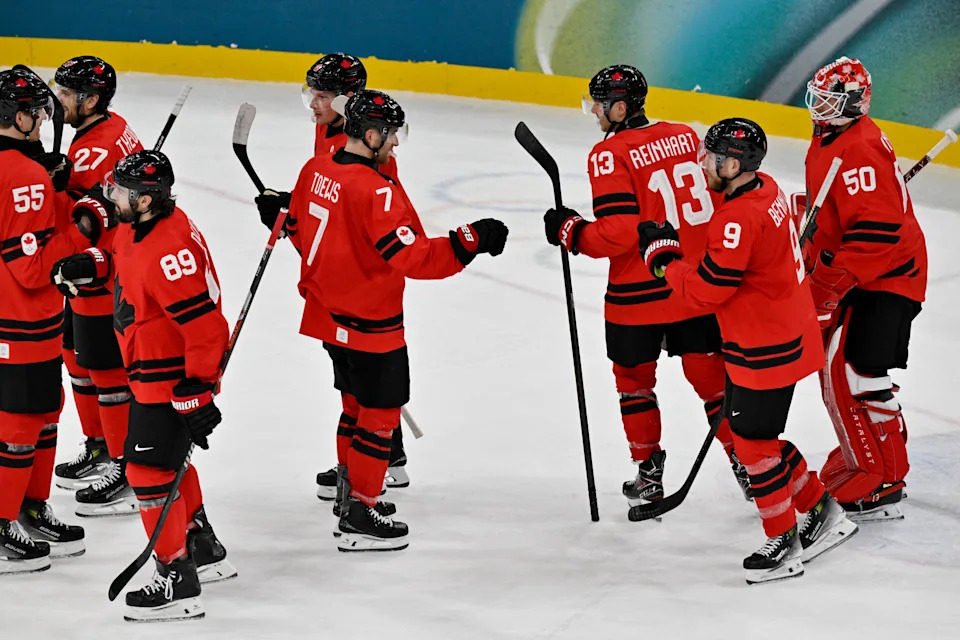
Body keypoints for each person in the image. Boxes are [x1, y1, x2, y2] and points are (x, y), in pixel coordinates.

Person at [279, 89, 508, 550]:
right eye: (391, 135)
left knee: (352, 404)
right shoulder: (375, 190)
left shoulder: (315, 168)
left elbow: (300, 232)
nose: (396, 144)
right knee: (379, 415)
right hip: (368, 321)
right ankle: (361, 511)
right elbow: (415, 258)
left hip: (327, 314)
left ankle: (350, 493)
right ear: (369, 134)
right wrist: (471, 239)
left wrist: (281, 217)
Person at [638, 118, 857, 584]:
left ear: (733, 164)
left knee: (754, 446)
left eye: (711, 156)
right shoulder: (766, 188)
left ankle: (784, 539)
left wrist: (663, 260)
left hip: (766, 345)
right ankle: (821, 506)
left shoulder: (739, 218)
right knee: (761, 437)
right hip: (783, 334)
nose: (702, 162)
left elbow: (706, 292)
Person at [541, 64, 751, 517]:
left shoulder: (608, 152)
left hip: (636, 293)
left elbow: (618, 233)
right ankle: (750, 466)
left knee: (634, 384)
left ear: (619, 107)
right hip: (691, 285)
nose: (594, 112)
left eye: (598, 104)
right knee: (715, 385)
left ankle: (649, 474)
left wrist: (572, 232)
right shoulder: (684, 134)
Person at [52, 150, 235, 619]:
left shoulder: (170, 249)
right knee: (171, 464)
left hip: (169, 374)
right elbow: (121, 260)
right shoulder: (139, 226)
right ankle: (201, 545)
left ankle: (176, 576)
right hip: (149, 365)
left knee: (147, 474)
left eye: (119, 191)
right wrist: (89, 264)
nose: (110, 196)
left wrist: (197, 388)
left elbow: (207, 328)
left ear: (147, 198)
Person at [255, 53, 413, 499]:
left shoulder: (369, 153)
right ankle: (386, 455)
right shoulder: (329, 132)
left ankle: (384, 457)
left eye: (321, 96)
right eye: (312, 93)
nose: (312, 104)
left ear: (346, 101)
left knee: (363, 379)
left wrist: (292, 221)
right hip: (334, 282)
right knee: (351, 376)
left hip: (357, 284)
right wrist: (292, 208)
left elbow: (356, 222)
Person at [802, 57, 925, 522]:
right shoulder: (832, 135)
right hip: (865, 271)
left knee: (860, 375)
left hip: (888, 276)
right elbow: (836, 206)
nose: (819, 108)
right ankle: (865, 455)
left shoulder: (859, 146)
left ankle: (886, 477)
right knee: (840, 371)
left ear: (855, 104)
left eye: (830, 100)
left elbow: (877, 229)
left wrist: (833, 275)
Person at [50, 55, 145, 518]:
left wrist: (56, 191)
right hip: (92, 270)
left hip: (103, 271)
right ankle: (101, 447)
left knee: (106, 371)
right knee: (77, 358)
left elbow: (81, 220)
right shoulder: (112, 126)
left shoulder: (95, 148)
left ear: (90, 100)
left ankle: (127, 467)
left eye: (66, 94)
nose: (57, 101)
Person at [0, 68, 85, 574]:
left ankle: (28, 507)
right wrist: (79, 225)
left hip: (21, 317)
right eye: (35, 108)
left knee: (44, 411)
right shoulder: (23, 175)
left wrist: (50, 190)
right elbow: (32, 268)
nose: (43, 116)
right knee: (20, 423)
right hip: (20, 315)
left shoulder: (22, 168)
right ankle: (3, 520)